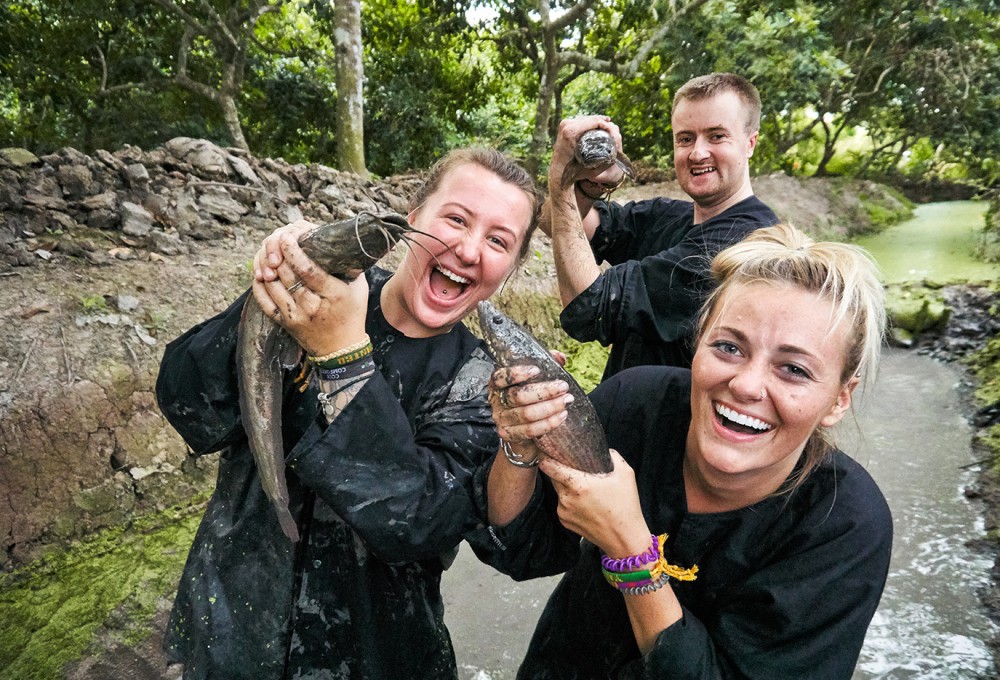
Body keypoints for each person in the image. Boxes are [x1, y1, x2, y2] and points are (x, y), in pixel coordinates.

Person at [156, 147, 541, 680]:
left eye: (498, 240)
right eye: (455, 218)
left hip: (378, 655)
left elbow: (415, 524)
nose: (469, 249)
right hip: (232, 626)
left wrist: (342, 359)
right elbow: (188, 405)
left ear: (511, 268)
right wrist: (269, 289)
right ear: (413, 217)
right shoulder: (321, 289)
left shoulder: (483, 386)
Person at [469, 223, 892, 679]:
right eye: (729, 347)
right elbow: (520, 551)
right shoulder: (634, 404)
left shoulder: (844, 527)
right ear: (697, 341)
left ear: (838, 399)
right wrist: (520, 445)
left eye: (793, 369)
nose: (746, 385)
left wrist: (630, 548)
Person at [546, 72, 779, 379]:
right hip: (624, 419)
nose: (697, 153)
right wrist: (589, 182)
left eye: (717, 136)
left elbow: (590, 307)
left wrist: (560, 177)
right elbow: (555, 221)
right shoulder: (670, 216)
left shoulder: (746, 244)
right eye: (685, 138)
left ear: (750, 143)